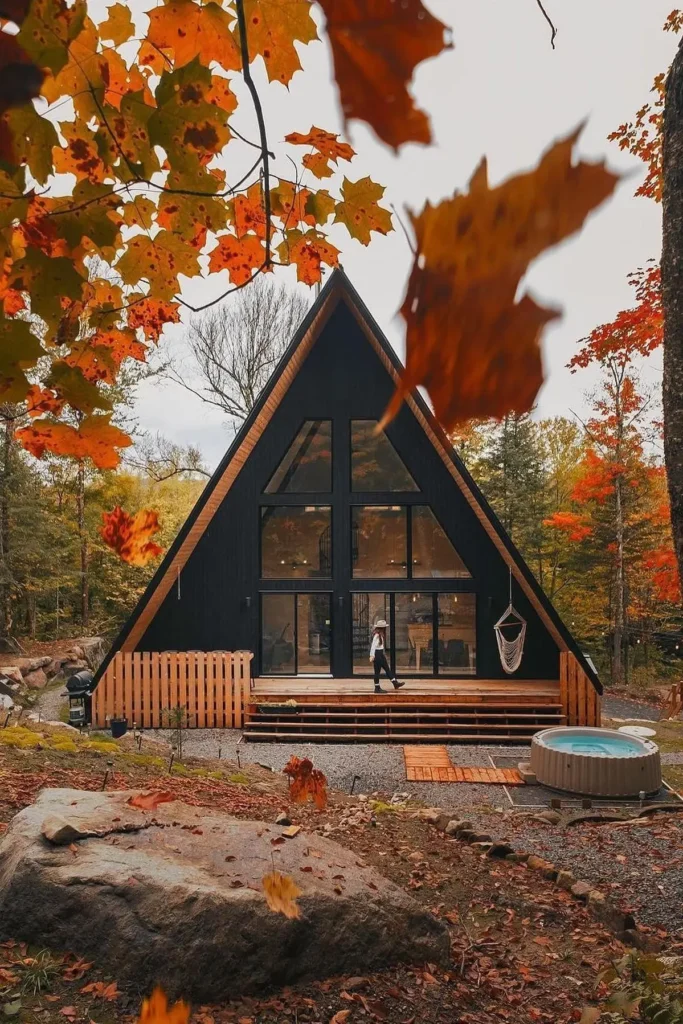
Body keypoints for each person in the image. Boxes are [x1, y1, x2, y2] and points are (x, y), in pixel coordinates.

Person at [369, 620, 405, 693]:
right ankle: (377, 688)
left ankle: (395, 683)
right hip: (377, 655)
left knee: (387, 669)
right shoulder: (377, 636)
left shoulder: (380, 635)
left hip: (380, 654)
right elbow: (373, 646)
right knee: (377, 672)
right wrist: (372, 655)